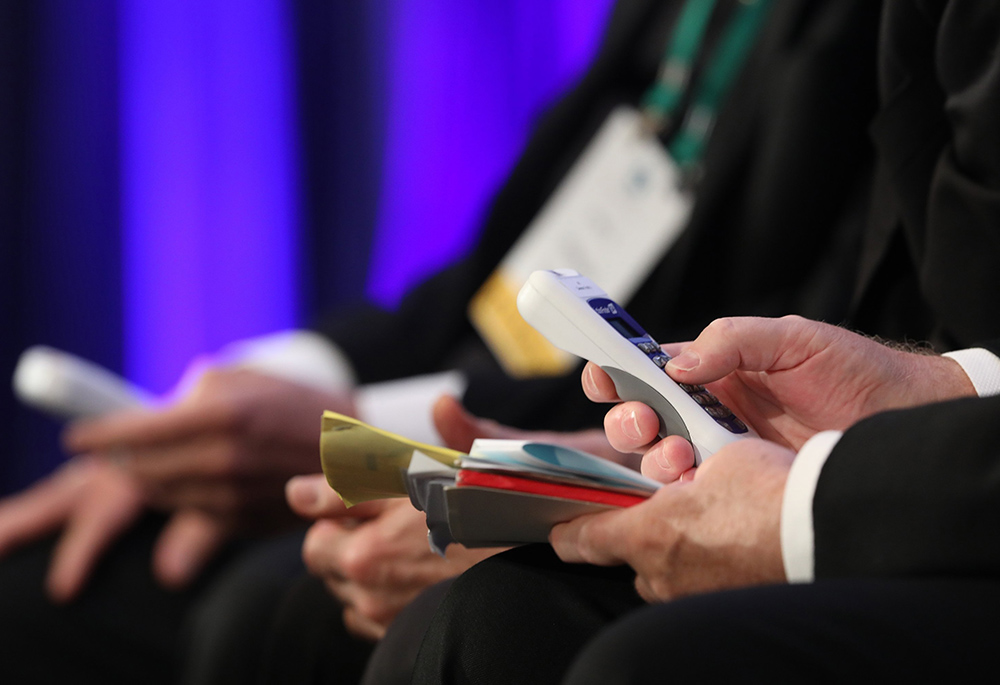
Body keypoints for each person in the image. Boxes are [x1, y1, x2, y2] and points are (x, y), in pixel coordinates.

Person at [0, 0, 881, 682]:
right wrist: (227, 409)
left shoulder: (878, 40)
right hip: (482, 415)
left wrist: (347, 430)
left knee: (289, 614)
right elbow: (487, 288)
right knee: (33, 589)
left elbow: (780, 352)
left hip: (663, 459)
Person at [401, 2, 1000, 682]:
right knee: (486, 614)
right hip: (919, 449)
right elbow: (494, 253)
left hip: (936, 501)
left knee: (586, 647)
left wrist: (806, 501)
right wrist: (944, 387)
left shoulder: (849, 32)